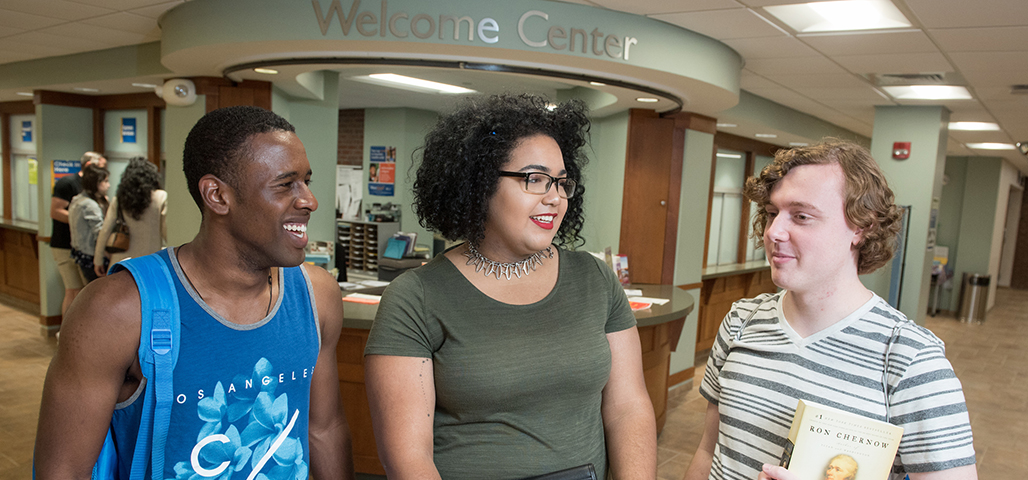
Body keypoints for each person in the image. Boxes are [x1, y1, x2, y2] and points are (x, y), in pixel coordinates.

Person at [35, 106, 355, 480]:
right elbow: (63, 470)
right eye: (286, 184)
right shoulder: (118, 308)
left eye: (306, 181)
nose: (309, 200)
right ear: (217, 195)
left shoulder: (317, 295)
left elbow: (324, 428)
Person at [364, 94, 656, 480]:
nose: (554, 198)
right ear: (479, 183)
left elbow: (628, 408)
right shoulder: (416, 296)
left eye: (561, 182)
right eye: (534, 179)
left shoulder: (595, 279)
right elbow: (408, 458)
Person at [682, 141, 977, 480]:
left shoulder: (911, 360)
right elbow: (708, 450)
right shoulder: (740, 321)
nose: (773, 231)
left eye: (801, 216)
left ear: (860, 226)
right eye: (772, 213)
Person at [50, 151, 106, 314]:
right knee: (73, 291)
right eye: (101, 167)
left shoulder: (92, 192)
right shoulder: (67, 183)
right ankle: (65, 334)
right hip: (65, 245)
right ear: (89, 166)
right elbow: (55, 211)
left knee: (84, 293)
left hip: (84, 248)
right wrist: (80, 221)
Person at [93, 156, 168, 276]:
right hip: (150, 262)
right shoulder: (161, 197)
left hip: (122, 264)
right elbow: (166, 232)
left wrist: (98, 260)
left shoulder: (119, 199)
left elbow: (105, 231)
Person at [68, 164, 110, 283]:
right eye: (105, 181)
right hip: (91, 255)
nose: (108, 185)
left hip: (81, 254)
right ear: (96, 183)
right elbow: (99, 233)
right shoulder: (90, 205)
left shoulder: (77, 199)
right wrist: (106, 255)